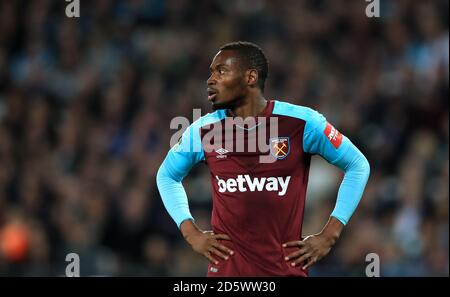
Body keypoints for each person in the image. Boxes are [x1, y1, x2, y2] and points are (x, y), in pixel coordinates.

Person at [156, 41, 370, 276]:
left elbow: (358, 165)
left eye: (221, 71)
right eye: (211, 72)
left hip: (286, 272)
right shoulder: (203, 130)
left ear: (250, 77)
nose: (210, 80)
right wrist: (190, 231)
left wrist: (330, 234)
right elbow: (166, 175)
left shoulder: (302, 123)